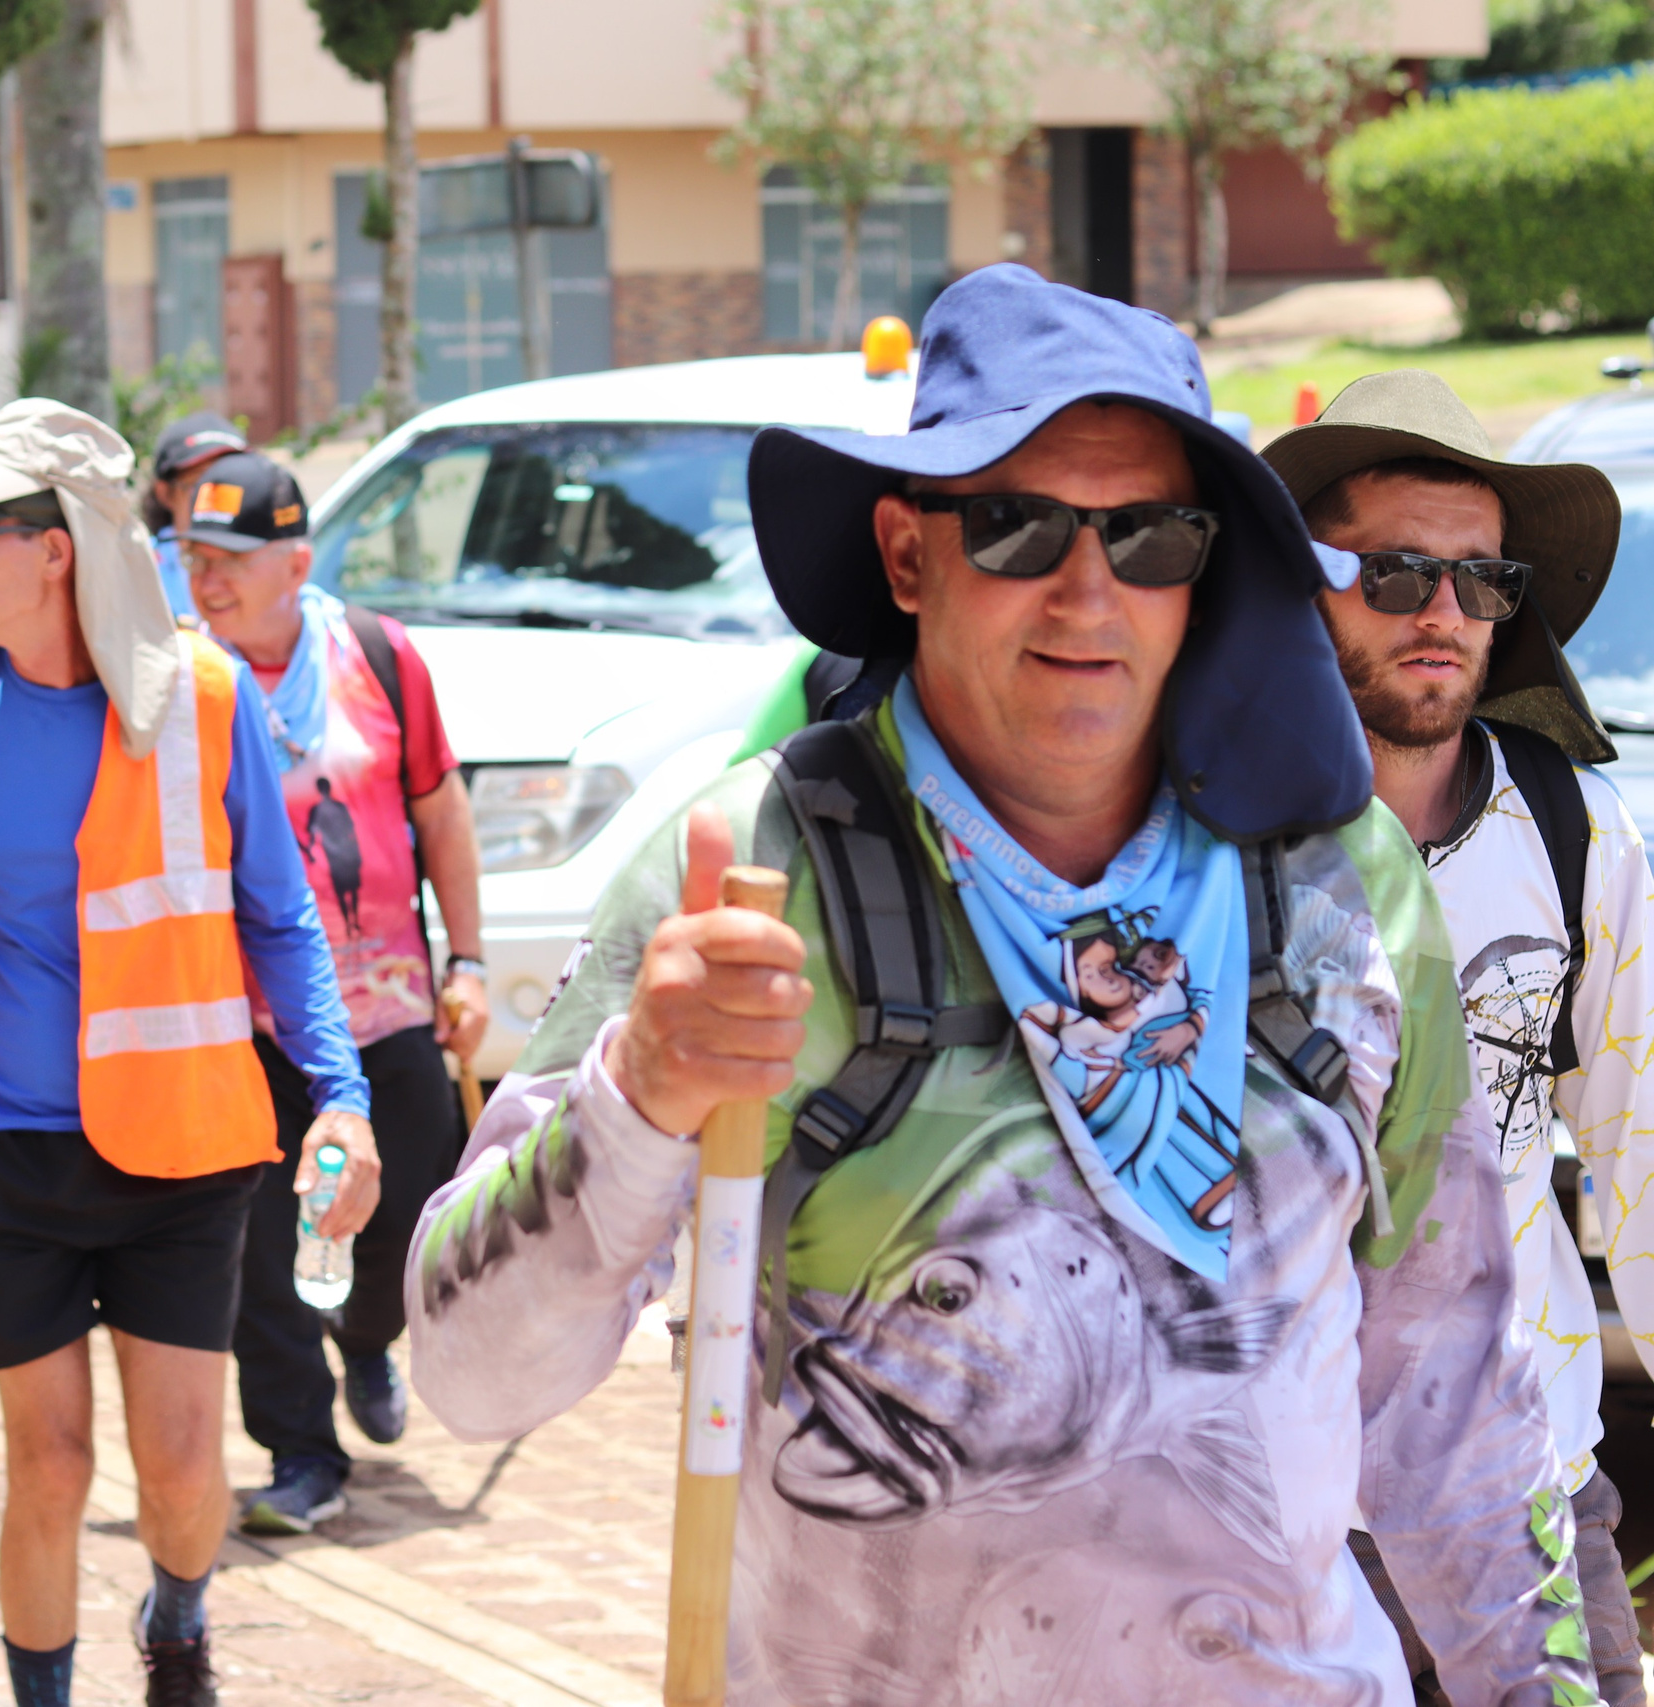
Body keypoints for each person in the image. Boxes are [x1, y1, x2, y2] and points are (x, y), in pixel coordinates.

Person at [405, 266, 1592, 1704]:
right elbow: (470, 1373)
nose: (1091, 590)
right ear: (909, 555)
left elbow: (1452, 1401)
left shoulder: (1344, 884)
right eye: (1019, 524)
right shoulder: (760, 873)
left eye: (1153, 534)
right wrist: (639, 1100)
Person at [0, 399, 372, 1707]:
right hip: (2, 1151)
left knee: (186, 1469)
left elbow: (279, 913)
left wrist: (342, 1095)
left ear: (60, 546)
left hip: (183, 1144)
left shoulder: (203, 701)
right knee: (51, 1462)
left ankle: (179, 1620)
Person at [1266, 369, 1654, 1707]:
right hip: (1282, 1531)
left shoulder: (1577, 829)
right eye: (1395, 572)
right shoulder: (1208, 842)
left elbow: (1641, 1140)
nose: (1442, 611)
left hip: (1534, 1497)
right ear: (1302, 582)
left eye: (1480, 581)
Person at [176, 450, 489, 1535]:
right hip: (244, 1022)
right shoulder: (184, 682)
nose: (206, 578)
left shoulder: (376, 657)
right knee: (259, 1247)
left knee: (403, 1223)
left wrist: (471, 962)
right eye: (190, 555)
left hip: (390, 1006)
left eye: (231, 560)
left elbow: (441, 815)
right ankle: (299, 1450)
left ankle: (366, 1334)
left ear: (297, 562)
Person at [142, 411, 247, 619]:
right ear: (165, 494)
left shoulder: (269, 560)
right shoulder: (138, 571)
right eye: (200, 483)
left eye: (233, 481)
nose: (218, 494)